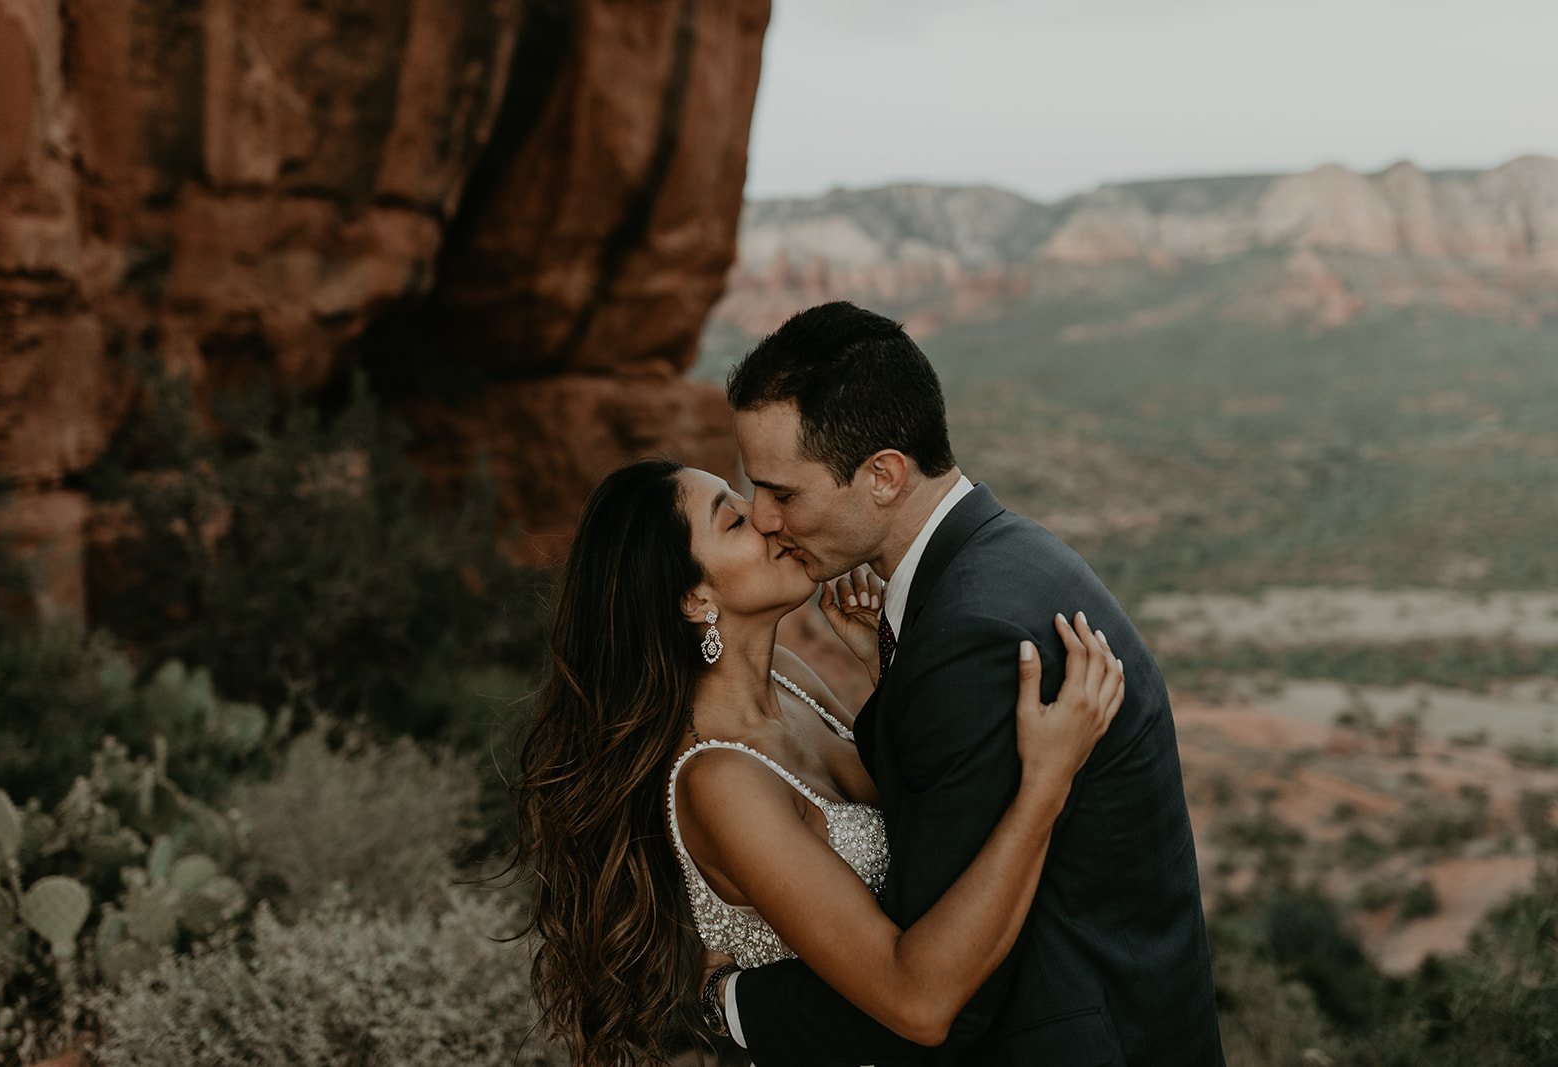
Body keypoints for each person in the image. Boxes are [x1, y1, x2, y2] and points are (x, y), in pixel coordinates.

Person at [719, 300, 1225, 1066]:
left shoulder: (973, 636)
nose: (761, 518)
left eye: (782, 492)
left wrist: (721, 1005)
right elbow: (948, 795)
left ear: (883, 475)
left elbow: (943, 1000)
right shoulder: (1006, 557)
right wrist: (892, 672)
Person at [517, 457, 1124, 1066]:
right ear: (693, 597)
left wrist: (884, 675)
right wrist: (1046, 784)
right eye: (734, 520)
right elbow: (917, 1002)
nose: (766, 517)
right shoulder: (720, 780)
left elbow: (916, 814)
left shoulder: (789, 678)